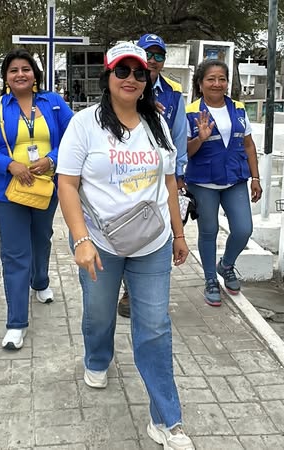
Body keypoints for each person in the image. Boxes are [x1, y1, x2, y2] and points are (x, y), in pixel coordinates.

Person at [57, 42, 194, 450]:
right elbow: (67, 184)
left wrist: (179, 234)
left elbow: (168, 183)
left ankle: (166, 419)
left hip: (152, 242)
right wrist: (81, 239)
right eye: (122, 71)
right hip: (100, 242)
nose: (131, 79)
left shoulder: (157, 123)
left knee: (154, 327)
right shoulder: (84, 124)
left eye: (139, 72)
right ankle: (98, 358)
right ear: (108, 76)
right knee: (99, 313)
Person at [0, 49, 73, 350]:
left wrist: (52, 159)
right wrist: (9, 165)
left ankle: (40, 282)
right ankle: (16, 323)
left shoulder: (53, 103)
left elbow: (74, 138)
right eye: (13, 70)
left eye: (25, 69)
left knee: (41, 239)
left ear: (34, 74)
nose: (20, 74)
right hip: (9, 192)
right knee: (15, 253)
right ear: (6, 77)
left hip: (45, 187)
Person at [116, 33, 189, 318]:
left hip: (162, 175)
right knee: (130, 227)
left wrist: (179, 172)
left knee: (158, 228)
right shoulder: (124, 85)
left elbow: (179, 135)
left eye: (159, 55)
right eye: (149, 54)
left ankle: (146, 287)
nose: (154, 60)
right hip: (129, 172)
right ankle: (128, 289)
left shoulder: (173, 92)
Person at [185, 60, 262, 306]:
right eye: (211, 79)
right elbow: (185, 153)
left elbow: (248, 145)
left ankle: (226, 265)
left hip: (234, 179)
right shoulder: (190, 112)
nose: (217, 84)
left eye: (222, 79)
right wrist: (200, 138)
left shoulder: (238, 109)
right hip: (203, 182)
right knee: (209, 232)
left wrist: (256, 177)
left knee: (243, 229)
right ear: (200, 84)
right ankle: (210, 279)